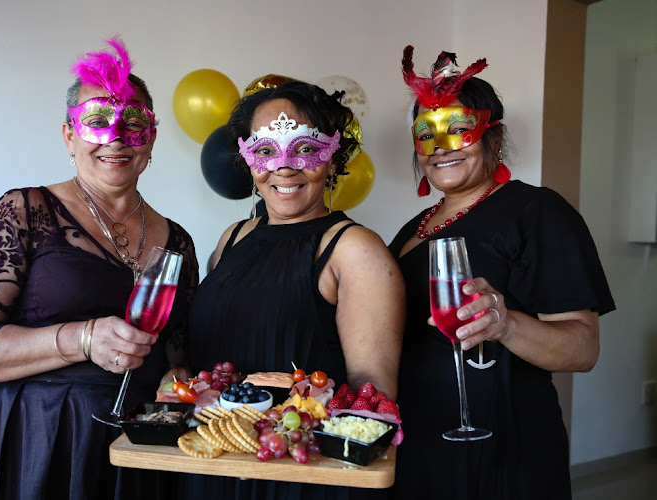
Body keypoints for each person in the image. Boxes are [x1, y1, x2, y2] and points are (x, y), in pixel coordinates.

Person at [0, 37, 198, 500]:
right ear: (69, 136)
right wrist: (81, 337)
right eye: (96, 122)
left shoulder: (178, 241)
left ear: (151, 137)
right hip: (35, 439)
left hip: (134, 451)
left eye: (132, 123)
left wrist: (177, 381)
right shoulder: (23, 211)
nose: (114, 138)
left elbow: (177, 360)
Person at [388, 46, 615, 500]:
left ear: (492, 135)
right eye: (427, 133)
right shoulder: (410, 229)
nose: (442, 146)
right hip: (417, 442)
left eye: (459, 129)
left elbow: (583, 348)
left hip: (501, 445)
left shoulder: (537, 211)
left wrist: (506, 324)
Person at [180, 81, 405, 499]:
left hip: (302, 474)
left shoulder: (355, 249)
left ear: (333, 158)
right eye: (265, 150)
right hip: (214, 460)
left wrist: (304, 391)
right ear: (248, 160)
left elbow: (376, 398)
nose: (284, 167)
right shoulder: (233, 237)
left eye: (304, 148)